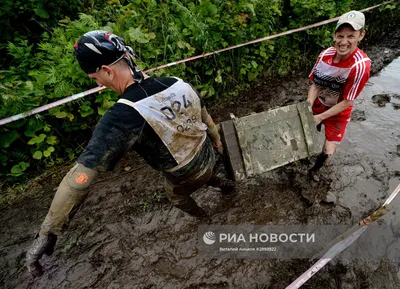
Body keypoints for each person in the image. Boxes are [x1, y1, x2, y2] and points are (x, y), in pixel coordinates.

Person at [26, 30, 235, 277]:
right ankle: (225, 184)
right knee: (207, 173)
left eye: (95, 77)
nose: (98, 84)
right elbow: (206, 117)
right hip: (207, 154)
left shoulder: (123, 115)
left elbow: (80, 177)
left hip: (182, 176)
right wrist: (218, 141)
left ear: (107, 70)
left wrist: (48, 230)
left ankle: (205, 218)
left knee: (177, 197)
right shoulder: (178, 82)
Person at [307, 10, 371, 178]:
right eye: (340, 36)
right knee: (302, 131)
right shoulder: (324, 55)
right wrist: (308, 107)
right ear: (335, 35)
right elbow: (315, 85)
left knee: (327, 151)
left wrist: (320, 118)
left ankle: (316, 173)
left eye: (351, 36)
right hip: (319, 103)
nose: (344, 42)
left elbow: (347, 102)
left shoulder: (360, 66)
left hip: (339, 111)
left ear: (361, 35)